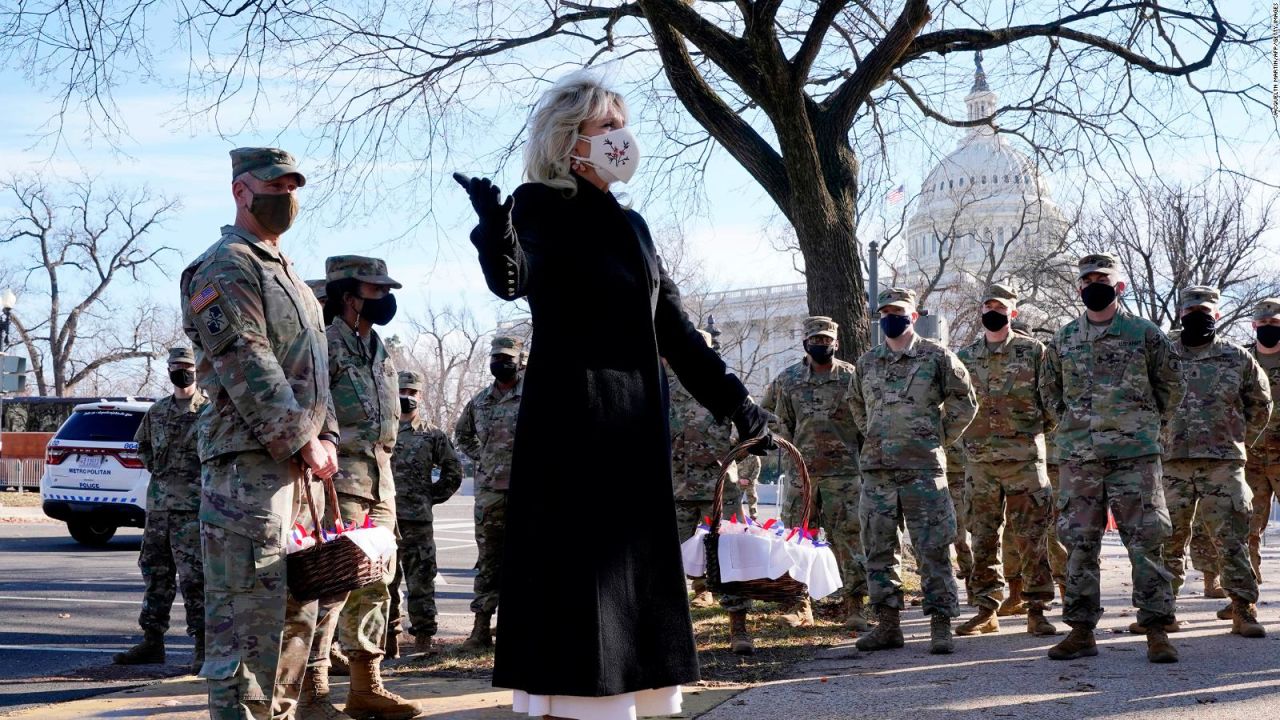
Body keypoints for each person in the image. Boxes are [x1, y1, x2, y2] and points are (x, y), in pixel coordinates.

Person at [454, 72, 773, 720]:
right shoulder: (539, 207)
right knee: (583, 597)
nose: (620, 137)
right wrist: (495, 231)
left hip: (634, 433)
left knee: (635, 593)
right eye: (606, 126)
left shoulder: (635, 228)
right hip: (571, 429)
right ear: (571, 141)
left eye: (621, 124)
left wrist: (735, 401)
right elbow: (515, 279)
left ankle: (639, 698)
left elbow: (677, 332)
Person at [182, 147, 339, 719]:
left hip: (302, 468)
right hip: (249, 473)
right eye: (274, 185)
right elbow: (247, 360)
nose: (286, 196)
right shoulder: (225, 265)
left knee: (296, 619)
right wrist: (303, 440)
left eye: (293, 185)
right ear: (240, 191)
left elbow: (318, 371)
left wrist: (329, 441)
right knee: (248, 628)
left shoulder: (288, 272)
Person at [1040, 252, 1186, 663]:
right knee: (1079, 544)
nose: (1093, 285)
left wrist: (1145, 427)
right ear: (1079, 288)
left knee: (1146, 542)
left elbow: (1172, 385)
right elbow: (1048, 391)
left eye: (1102, 278)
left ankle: (1157, 630)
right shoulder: (1065, 338)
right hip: (1080, 460)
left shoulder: (1143, 333)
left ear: (1118, 285)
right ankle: (1081, 632)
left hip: (1134, 457)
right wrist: (1072, 427)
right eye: (1087, 280)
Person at [303, 255, 416, 720]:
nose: (385, 300)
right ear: (349, 297)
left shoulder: (380, 349)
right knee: (332, 585)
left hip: (379, 481)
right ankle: (312, 693)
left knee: (377, 581)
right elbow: (312, 411)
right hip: (337, 481)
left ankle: (366, 686)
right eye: (376, 292)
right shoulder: (321, 347)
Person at [850, 288, 977, 655]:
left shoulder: (936, 356)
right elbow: (856, 404)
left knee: (933, 547)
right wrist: (874, 435)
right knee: (878, 548)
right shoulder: (868, 362)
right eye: (886, 311)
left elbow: (965, 401)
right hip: (877, 472)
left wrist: (936, 437)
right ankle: (888, 625)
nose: (892, 316)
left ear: (914, 315)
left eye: (899, 311)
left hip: (923, 469)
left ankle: (941, 625)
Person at [1147, 286, 1269, 638]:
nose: (1196, 316)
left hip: (1222, 463)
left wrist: (1236, 439)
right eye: (1190, 312)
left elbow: (1260, 404)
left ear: (1216, 314)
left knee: (1232, 538)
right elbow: (1142, 397)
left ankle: (1243, 609)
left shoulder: (1236, 357)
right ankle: (1161, 612)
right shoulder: (1162, 353)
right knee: (1166, 539)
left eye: (1204, 311)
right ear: (1181, 315)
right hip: (1171, 463)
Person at [954, 285, 1058, 638]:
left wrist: (1029, 433)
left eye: (1000, 307)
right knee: (982, 537)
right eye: (988, 306)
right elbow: (954, 407)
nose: (993, 311)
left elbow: (1052, 402)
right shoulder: (965, 357)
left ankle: (1037, 609)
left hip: (1024, 460)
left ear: (1013, 313)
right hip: (980, 463)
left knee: (1031, 537)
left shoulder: (1034, 352)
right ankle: (986, 608)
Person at [764, 316, 867, 631]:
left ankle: (855, 606)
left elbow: (867, 421)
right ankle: (800, 606)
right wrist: (789, 447)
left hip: (846, 477)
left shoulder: (853, 377)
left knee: (850, 541)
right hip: (803, 477)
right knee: (798, 540)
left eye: (826, 340)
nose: (821, 345)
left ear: (836, 342)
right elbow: (773, 418)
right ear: (804, 342)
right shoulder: (788, 380)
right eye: (815, 340)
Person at [115, 346, 208, 673]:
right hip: (159, 508)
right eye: (174, 366)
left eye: (185, 366)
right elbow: (143, 446)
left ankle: (203, 647)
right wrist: (160, 468)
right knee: (155, 573)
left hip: (193, 510)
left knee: (195, 578)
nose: (180, 371)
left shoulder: (208, 410)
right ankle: (152, 641)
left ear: (197, 370)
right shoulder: (157, 411)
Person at [668, 330, 754, 655]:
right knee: (668, 563)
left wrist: (732, 455)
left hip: (720, 490)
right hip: (674, 490)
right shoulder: (666, 385)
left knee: (731, 557)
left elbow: (755, 428)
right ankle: (673, 634)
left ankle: (739, 628)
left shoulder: (722, 386)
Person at [454, 336, 525, 651]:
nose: (500, 362)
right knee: (489, 560)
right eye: (496, 356)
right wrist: (482, 457)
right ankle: (480, 629)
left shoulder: (537, 394)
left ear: (520, 360)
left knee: (528, 558)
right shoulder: (480, 401)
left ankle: (520, 629)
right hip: (490, 495)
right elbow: (462, 434)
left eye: (507, 357)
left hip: (528, 492)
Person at [390, 369, 464, 656]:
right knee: (384, 583)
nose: (406, 397)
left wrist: (431, 496)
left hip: (417, 521)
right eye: (402, 391)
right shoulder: (383, 428)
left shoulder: (432, 434)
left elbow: (453, 470)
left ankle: (423, 638)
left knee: (421, 580)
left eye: (412, 392)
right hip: (385, 519)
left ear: (420, 395)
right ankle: (388, 640)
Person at [1246, 298, 1280, 587]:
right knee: (1246, 526)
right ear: (1254, 325)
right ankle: (1245, 594)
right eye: (1264, 323)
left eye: (1275, 323)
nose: (1268, 327)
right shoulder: (1240, 360)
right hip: (1250, 457)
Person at [945, 439, 975, 606]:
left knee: (963, 537)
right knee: (939, 537)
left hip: (963, 471)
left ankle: (973, 584)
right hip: (931, 470)